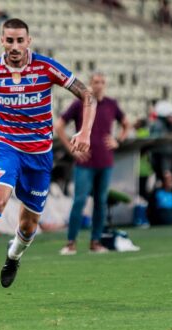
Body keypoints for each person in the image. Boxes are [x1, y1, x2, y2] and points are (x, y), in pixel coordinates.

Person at [0, 18, 96, 296]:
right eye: (9, 40)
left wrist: (85, 131)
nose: (15, 46)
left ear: (28, 41)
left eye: (20, 40)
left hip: (39, 156)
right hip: (7, 147)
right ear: (1, 41)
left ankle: (14, 256)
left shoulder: (46, 67)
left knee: (28, 226)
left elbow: (87, 95)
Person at [57, 72, 129, 255]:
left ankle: (95, 242)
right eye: (96, 82)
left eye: (102, 82)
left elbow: (127, 124)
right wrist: (72, 149)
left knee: (101, 202)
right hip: (85, 162)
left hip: (105, 161)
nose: (99, 85)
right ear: (89, 84)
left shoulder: (112, 105)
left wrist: (118, 140)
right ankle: (71, 242)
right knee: (79, 201)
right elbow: (58, 126)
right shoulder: (79, 103)